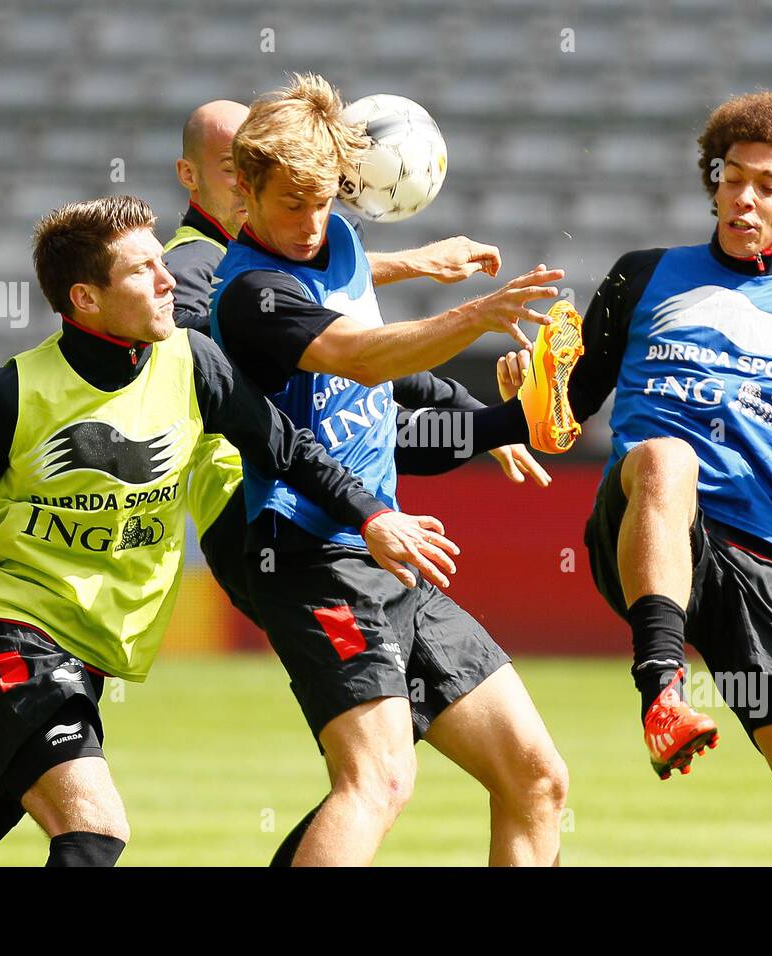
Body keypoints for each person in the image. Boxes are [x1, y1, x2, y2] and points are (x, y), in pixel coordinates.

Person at [0, 195, 457, 866]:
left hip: (81, 657)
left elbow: (288, 448)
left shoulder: (194, 362)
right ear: (86, 299)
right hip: (4, 641)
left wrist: (374, 516)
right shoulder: (8, 396)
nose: (168, 279)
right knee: (94, 830)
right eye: (143, 269)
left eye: (162, 261)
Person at [210, 73, 576, 866]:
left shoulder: (336, 244)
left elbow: (389, 422)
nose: (311, 225)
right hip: (312, 560)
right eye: (290, 206)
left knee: (537, 778)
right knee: (378, 780)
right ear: (241, 190)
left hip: (391, 554)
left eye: (324, 202)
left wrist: (500, 422)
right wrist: (475, 314)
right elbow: (362, 358)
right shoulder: (248, 294)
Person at [571, 91, 772, 865]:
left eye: (768, 185)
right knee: (666, 455)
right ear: (713, 180)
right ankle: (662, 692)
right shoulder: (643, 276)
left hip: (762, 566)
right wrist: (526, 393)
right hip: (645, 522)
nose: (744, 197)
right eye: (733, 177)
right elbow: (563, 411)